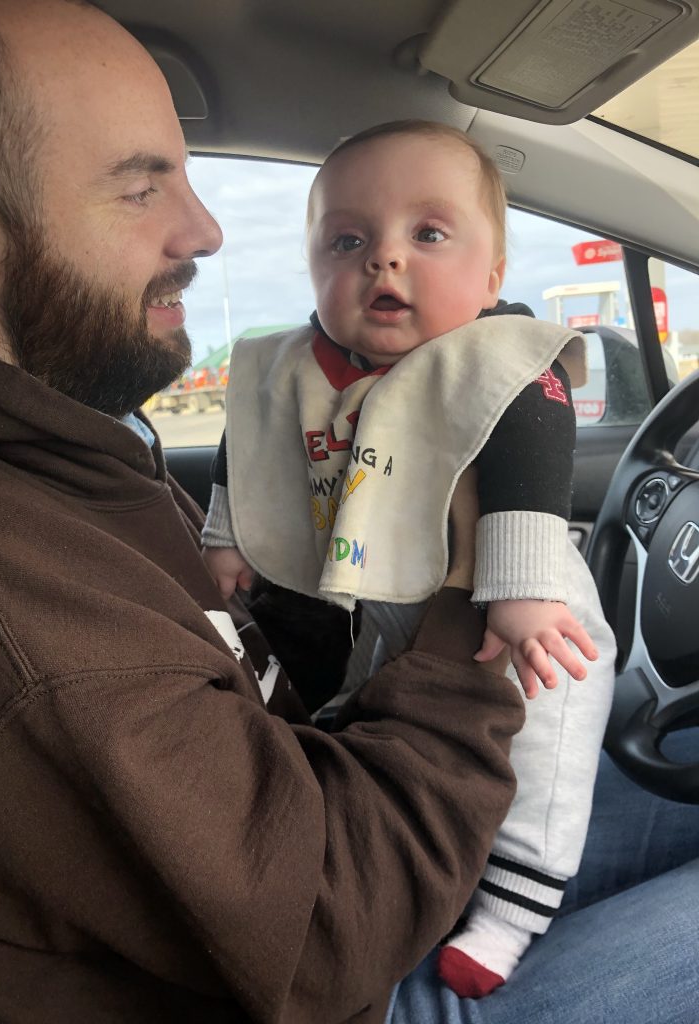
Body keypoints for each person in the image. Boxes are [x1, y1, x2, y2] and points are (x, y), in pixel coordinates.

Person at [0, 3, 697, 1024]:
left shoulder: (71, 442)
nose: (206, 231)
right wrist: (468, 586)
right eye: (143, 185)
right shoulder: (8, 594)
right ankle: (516, 905)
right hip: (360, 964)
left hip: (355, 782)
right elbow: (328, 934)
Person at [201, 121, 617, 996]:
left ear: (492, 276)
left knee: (547, 735)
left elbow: (533, 444)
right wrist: (228, 535)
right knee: (368, 706)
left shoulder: (499, 360)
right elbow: (251, 440)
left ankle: (517, 899)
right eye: (346, 241)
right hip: (377, 598)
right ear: (311, 264)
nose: (384, 259)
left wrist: (521, 588)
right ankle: (428, 851)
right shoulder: (290, 367)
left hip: (525, 606)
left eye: (428, 234)